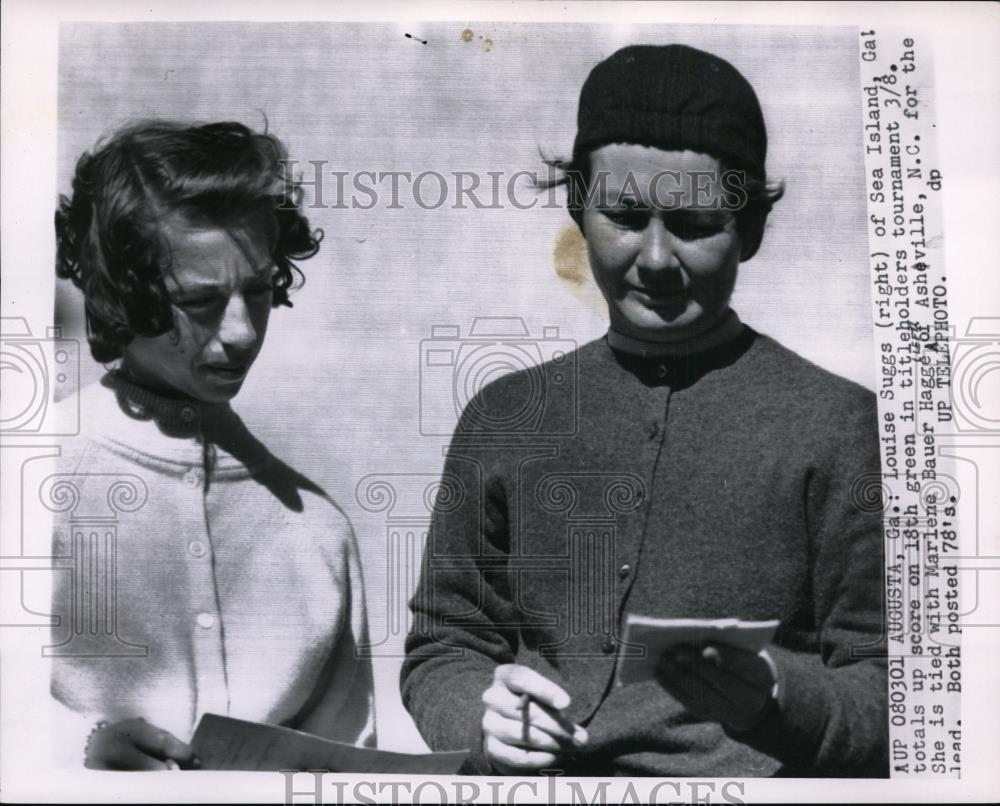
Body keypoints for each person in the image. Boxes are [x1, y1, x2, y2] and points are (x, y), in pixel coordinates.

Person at [401, 44, 888, 777]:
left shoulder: (841, 425)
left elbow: (896, 692)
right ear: (578, 210)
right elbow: (447, 643)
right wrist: (479, 713)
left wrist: (779, 696)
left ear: (750, 229)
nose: (656, 258)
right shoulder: (506, 415)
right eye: (625, 216)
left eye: (693, 224)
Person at [50, 120, 375, 769]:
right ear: (120, 290)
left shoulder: (316, 530)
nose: (242, 331)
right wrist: (71, 751)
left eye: (257, 290)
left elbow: (346, 766)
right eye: (199, 301)